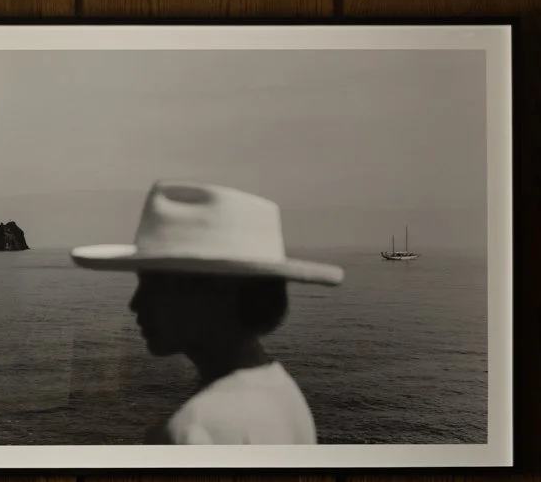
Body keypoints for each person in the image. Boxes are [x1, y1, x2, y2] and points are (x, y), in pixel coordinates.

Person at [72, 180, 343, 444]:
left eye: (153, 286)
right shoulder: (282, 391)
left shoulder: (192, 431)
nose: (135, 303)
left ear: (214, 296)